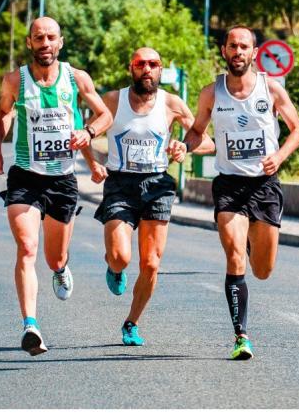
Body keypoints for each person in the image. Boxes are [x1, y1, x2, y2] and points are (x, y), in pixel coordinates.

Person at [0, 16, 112, 356]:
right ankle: (31, 325)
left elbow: (104, 115)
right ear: (30, 43)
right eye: (38, 38)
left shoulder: (76, 78)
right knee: (27, 248)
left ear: (60, 42)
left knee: (53, 256)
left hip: (62, 179)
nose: (45, 43)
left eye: (51, 37)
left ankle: (60, 267)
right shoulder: (16, 80)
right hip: (25, 175)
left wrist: (88, 134)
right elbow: (2, 113)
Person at [183, 25, 299, 360]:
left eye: (244, 47)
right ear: (224, 51)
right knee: (235, 256)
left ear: (254, 52)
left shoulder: (272, 88)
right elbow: (196, 132)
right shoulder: (211, 93)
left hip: (264, 186)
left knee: (263, 270)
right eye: (232, 46)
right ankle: (241, 335)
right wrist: (183, 146)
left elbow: (298, 130)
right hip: (230, 185)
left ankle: (253, 238)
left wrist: (278, 157)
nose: (238, 52)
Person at [86, 47, 214, 346]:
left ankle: (132, 322)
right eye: (140, 63)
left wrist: (184, 147)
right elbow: (85, 131)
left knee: (151, 263)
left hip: (157, 184)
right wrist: (92, 162)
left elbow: (205, 140)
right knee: (120, 257)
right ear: (131, 68)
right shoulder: (113, 101)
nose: (147, 69)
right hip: (120, 182)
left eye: (153, 64)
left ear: (160, 70)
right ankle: (114, 268)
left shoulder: (171, 103)